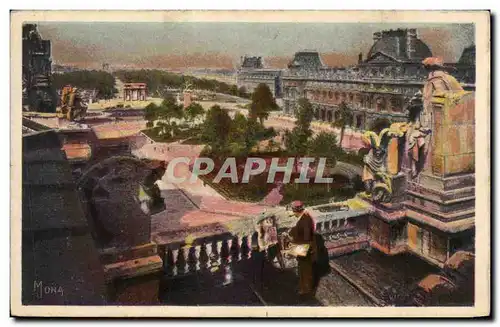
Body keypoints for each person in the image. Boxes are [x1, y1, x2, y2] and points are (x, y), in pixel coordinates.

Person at [287, 200, 317, 296]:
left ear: (296, 210)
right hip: (307, 247)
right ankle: (305, 288)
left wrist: (292, 239)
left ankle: (305, 290)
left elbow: (305, 237)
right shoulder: (305, 216)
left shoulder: (304, 220)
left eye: (293, 210)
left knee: (304, 270)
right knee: (304, 269)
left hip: (305, 248)